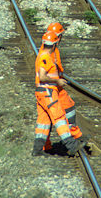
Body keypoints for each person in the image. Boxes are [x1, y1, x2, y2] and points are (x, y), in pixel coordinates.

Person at [33, 21, 85, 156]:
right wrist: (57, 80)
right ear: (56, 41)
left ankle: (38, 149)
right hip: (48, 91)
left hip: (42, 91)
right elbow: (43, 76)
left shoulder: (45, 54)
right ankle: (72, 145)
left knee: (43, 121)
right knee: (59, 119)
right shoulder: (45, 56)